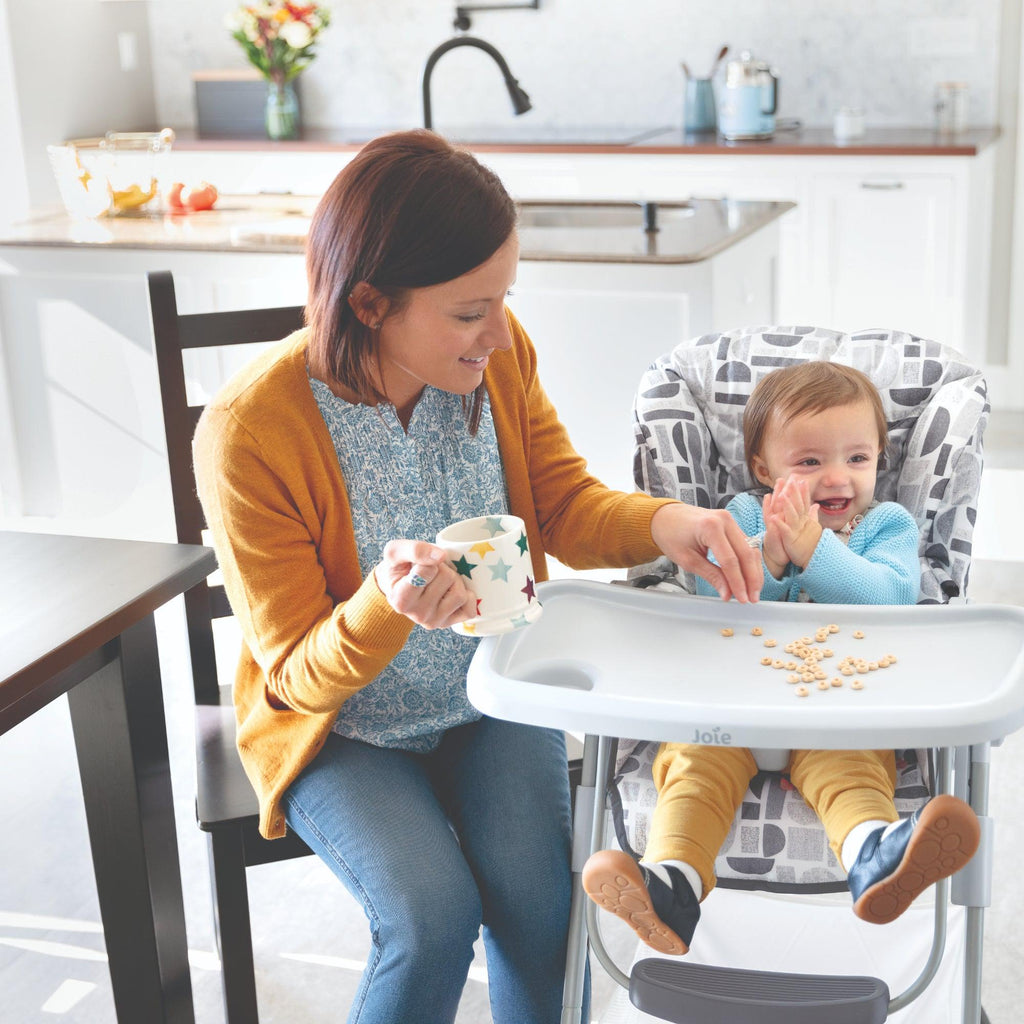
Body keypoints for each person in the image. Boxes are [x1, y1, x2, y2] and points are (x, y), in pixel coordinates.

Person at [193, 129, 762, 1024]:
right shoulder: (250, 431)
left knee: (545, 910)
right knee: (430, 917)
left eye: (503, 300)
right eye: (469, 312)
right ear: (372, 303)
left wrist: (666, 523)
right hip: (342, 731)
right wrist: (386, 606)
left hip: (495, 693)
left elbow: (564, 505)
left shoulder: (493, 361)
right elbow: (296, 674)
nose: (499, 333)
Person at [582, 360, 981, 957]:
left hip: (836, 711)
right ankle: (674, 883)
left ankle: (871, 853)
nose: (836, 478)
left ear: (880, 461)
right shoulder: (740, 517)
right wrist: (768, 555)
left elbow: (894, 599)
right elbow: (709, 597)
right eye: (810, 462)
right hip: (731, 709)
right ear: (765, 470)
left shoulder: (885, 526)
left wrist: (815, 550)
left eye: (857, 458)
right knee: (693, 769)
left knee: (851, 771)